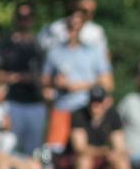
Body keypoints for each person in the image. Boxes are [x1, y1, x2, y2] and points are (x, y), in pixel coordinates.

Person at [41, 11, 113, 152]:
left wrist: (78, 86)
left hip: (86, 109)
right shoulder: (54, 52)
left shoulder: (95, 51)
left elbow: (108, 83)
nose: (73, 29)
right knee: (53, 152)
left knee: (83, 152)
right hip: (62, 108)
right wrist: (55, 82)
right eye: (70, 25)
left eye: (77, 25)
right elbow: (45, 80)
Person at [0, 3, 45, 157]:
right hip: (11, 102)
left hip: (35, 103)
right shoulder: (5, 44)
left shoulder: (39, 44)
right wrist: (10, 78)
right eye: (21, 17)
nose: (24, 21)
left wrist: (26, 78)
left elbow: (46, 75)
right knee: (8, 147)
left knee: (34, 150)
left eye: (28, 17)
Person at [38, 0, 109, 56]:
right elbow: (42, 50)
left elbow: (103, 56)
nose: (89, 15)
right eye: (84, 11)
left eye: (92, 12)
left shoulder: (96, 31)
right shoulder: (54, 27)